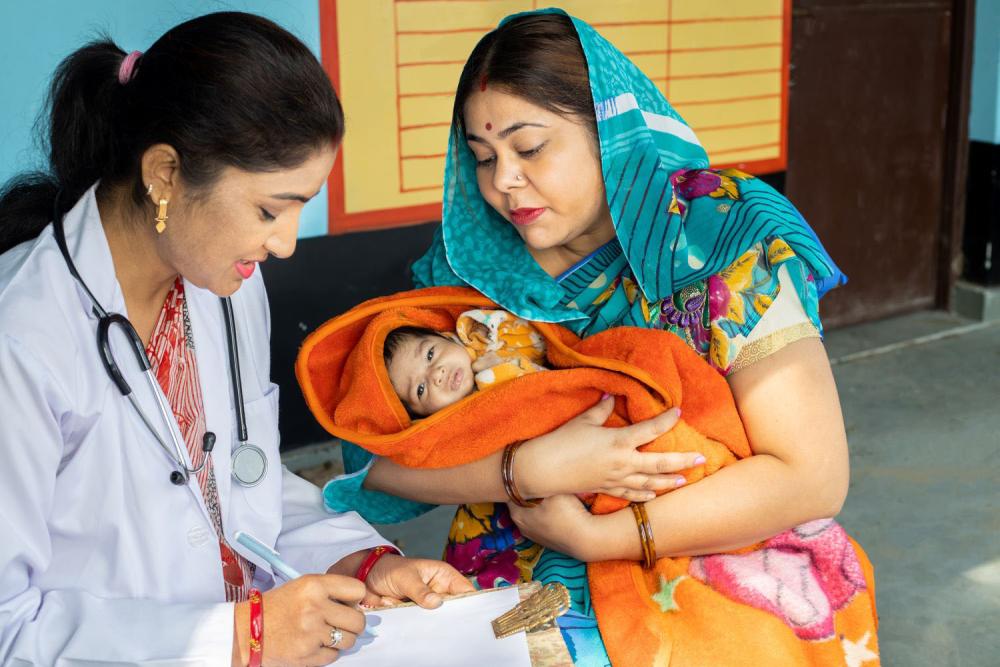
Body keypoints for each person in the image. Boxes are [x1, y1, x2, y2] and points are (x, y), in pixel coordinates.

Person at [324, 8, 878, 666]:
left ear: (610, 131)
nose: (503, 181)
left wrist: (602, 536)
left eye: (530, 148)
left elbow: (811, 477)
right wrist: (526, 469)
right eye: (483, 157)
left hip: (717, 557)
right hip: (517, 570)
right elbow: (373, 459)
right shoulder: (473, 270)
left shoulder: (718, 237)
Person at [0, 12, 472, 666]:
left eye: (301, 207)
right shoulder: (22, 337)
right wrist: (236, 638)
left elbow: (243, 484)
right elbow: (9, 627)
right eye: (269, 210)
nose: (286, 243)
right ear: (165, 174)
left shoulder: (224, 286)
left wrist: (361, 566)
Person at [384, 308, 547, 417]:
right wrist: (501, 372)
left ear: (444, 336)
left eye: (430, 354)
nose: (436, 374)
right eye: (420, 389)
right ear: (425, 415)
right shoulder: (470, 420)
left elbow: (539, 338)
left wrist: (489, 332)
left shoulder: (480, 334)